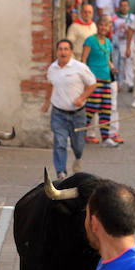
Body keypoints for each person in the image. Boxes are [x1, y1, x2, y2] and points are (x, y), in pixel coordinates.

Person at [42, 40, 98, 180]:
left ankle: (78, 157)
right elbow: (50, 85)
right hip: (58, 113)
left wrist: (82, 98)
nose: (63, 52)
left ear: (71, 52)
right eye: (60, 49)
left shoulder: (80, 67)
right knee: (60, 142)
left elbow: (92, 84)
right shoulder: (52, 68)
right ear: (57, 52)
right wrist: (47, 102)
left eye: (66, 49)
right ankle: (61, 173)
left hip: (77, 114)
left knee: (77, 145)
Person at [82, 17, 119, 149]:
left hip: (106, 79)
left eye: (106, 26)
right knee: (91, 108)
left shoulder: (108, 42)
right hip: (94, 79)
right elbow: (84, 59)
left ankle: (105, 137)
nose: (103, 28)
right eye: (101, 25)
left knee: (106, 109)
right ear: (97, 26)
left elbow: (107, 59)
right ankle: (80, 135)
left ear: (109, 28)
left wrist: (112, 68)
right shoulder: (90, 41)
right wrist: (85, 78)